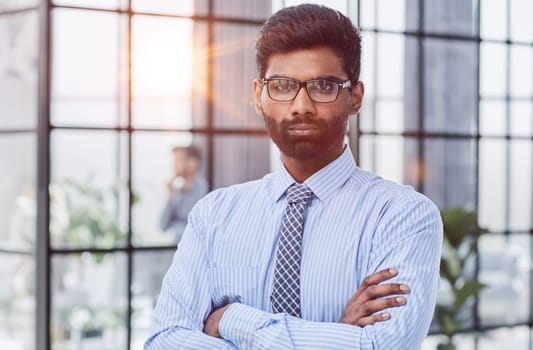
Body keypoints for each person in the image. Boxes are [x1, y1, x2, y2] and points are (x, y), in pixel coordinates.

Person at [145, 4, 442, 349]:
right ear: (259, 96)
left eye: (323, 85)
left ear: (355, 97)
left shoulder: (403, 216)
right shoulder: (214, 215)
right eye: (282, 85)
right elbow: (165, 342)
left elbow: (384, 346)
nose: (301, 105)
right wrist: (337, 335)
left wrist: (233, 320)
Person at [159, 145, 208, 244]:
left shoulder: (204, 189)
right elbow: (162, 225)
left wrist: (175, 225)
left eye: (179, 160)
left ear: (193, 163)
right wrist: (169, 197)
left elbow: (196, 228)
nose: (174, 165)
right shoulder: (177, 192)